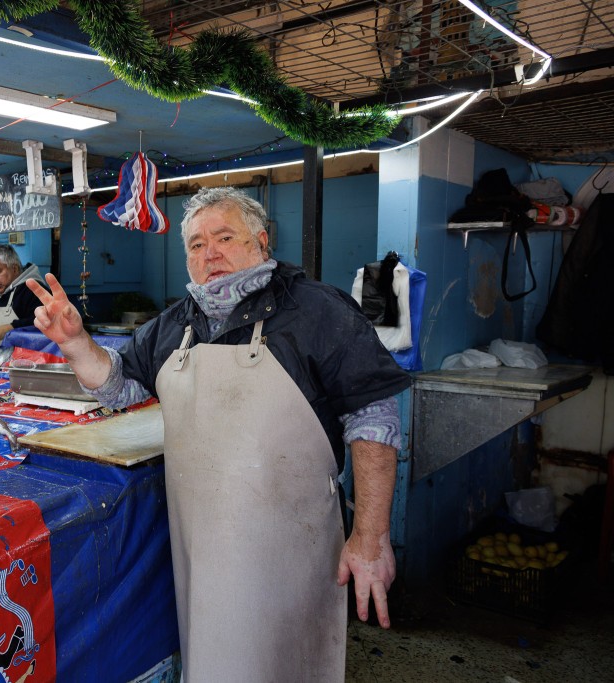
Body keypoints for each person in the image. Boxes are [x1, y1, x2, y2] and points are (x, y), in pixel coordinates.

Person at [27, 186, 410, 681]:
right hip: (201, 546)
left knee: (289, 661)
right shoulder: (174, 324)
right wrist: (77, 343)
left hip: (292, 546)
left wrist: (371, 536)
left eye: (224, 237)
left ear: (261, 242)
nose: (209, 253)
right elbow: (119, 387)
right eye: (196, 244)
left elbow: (374, 418)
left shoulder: (319, 311)